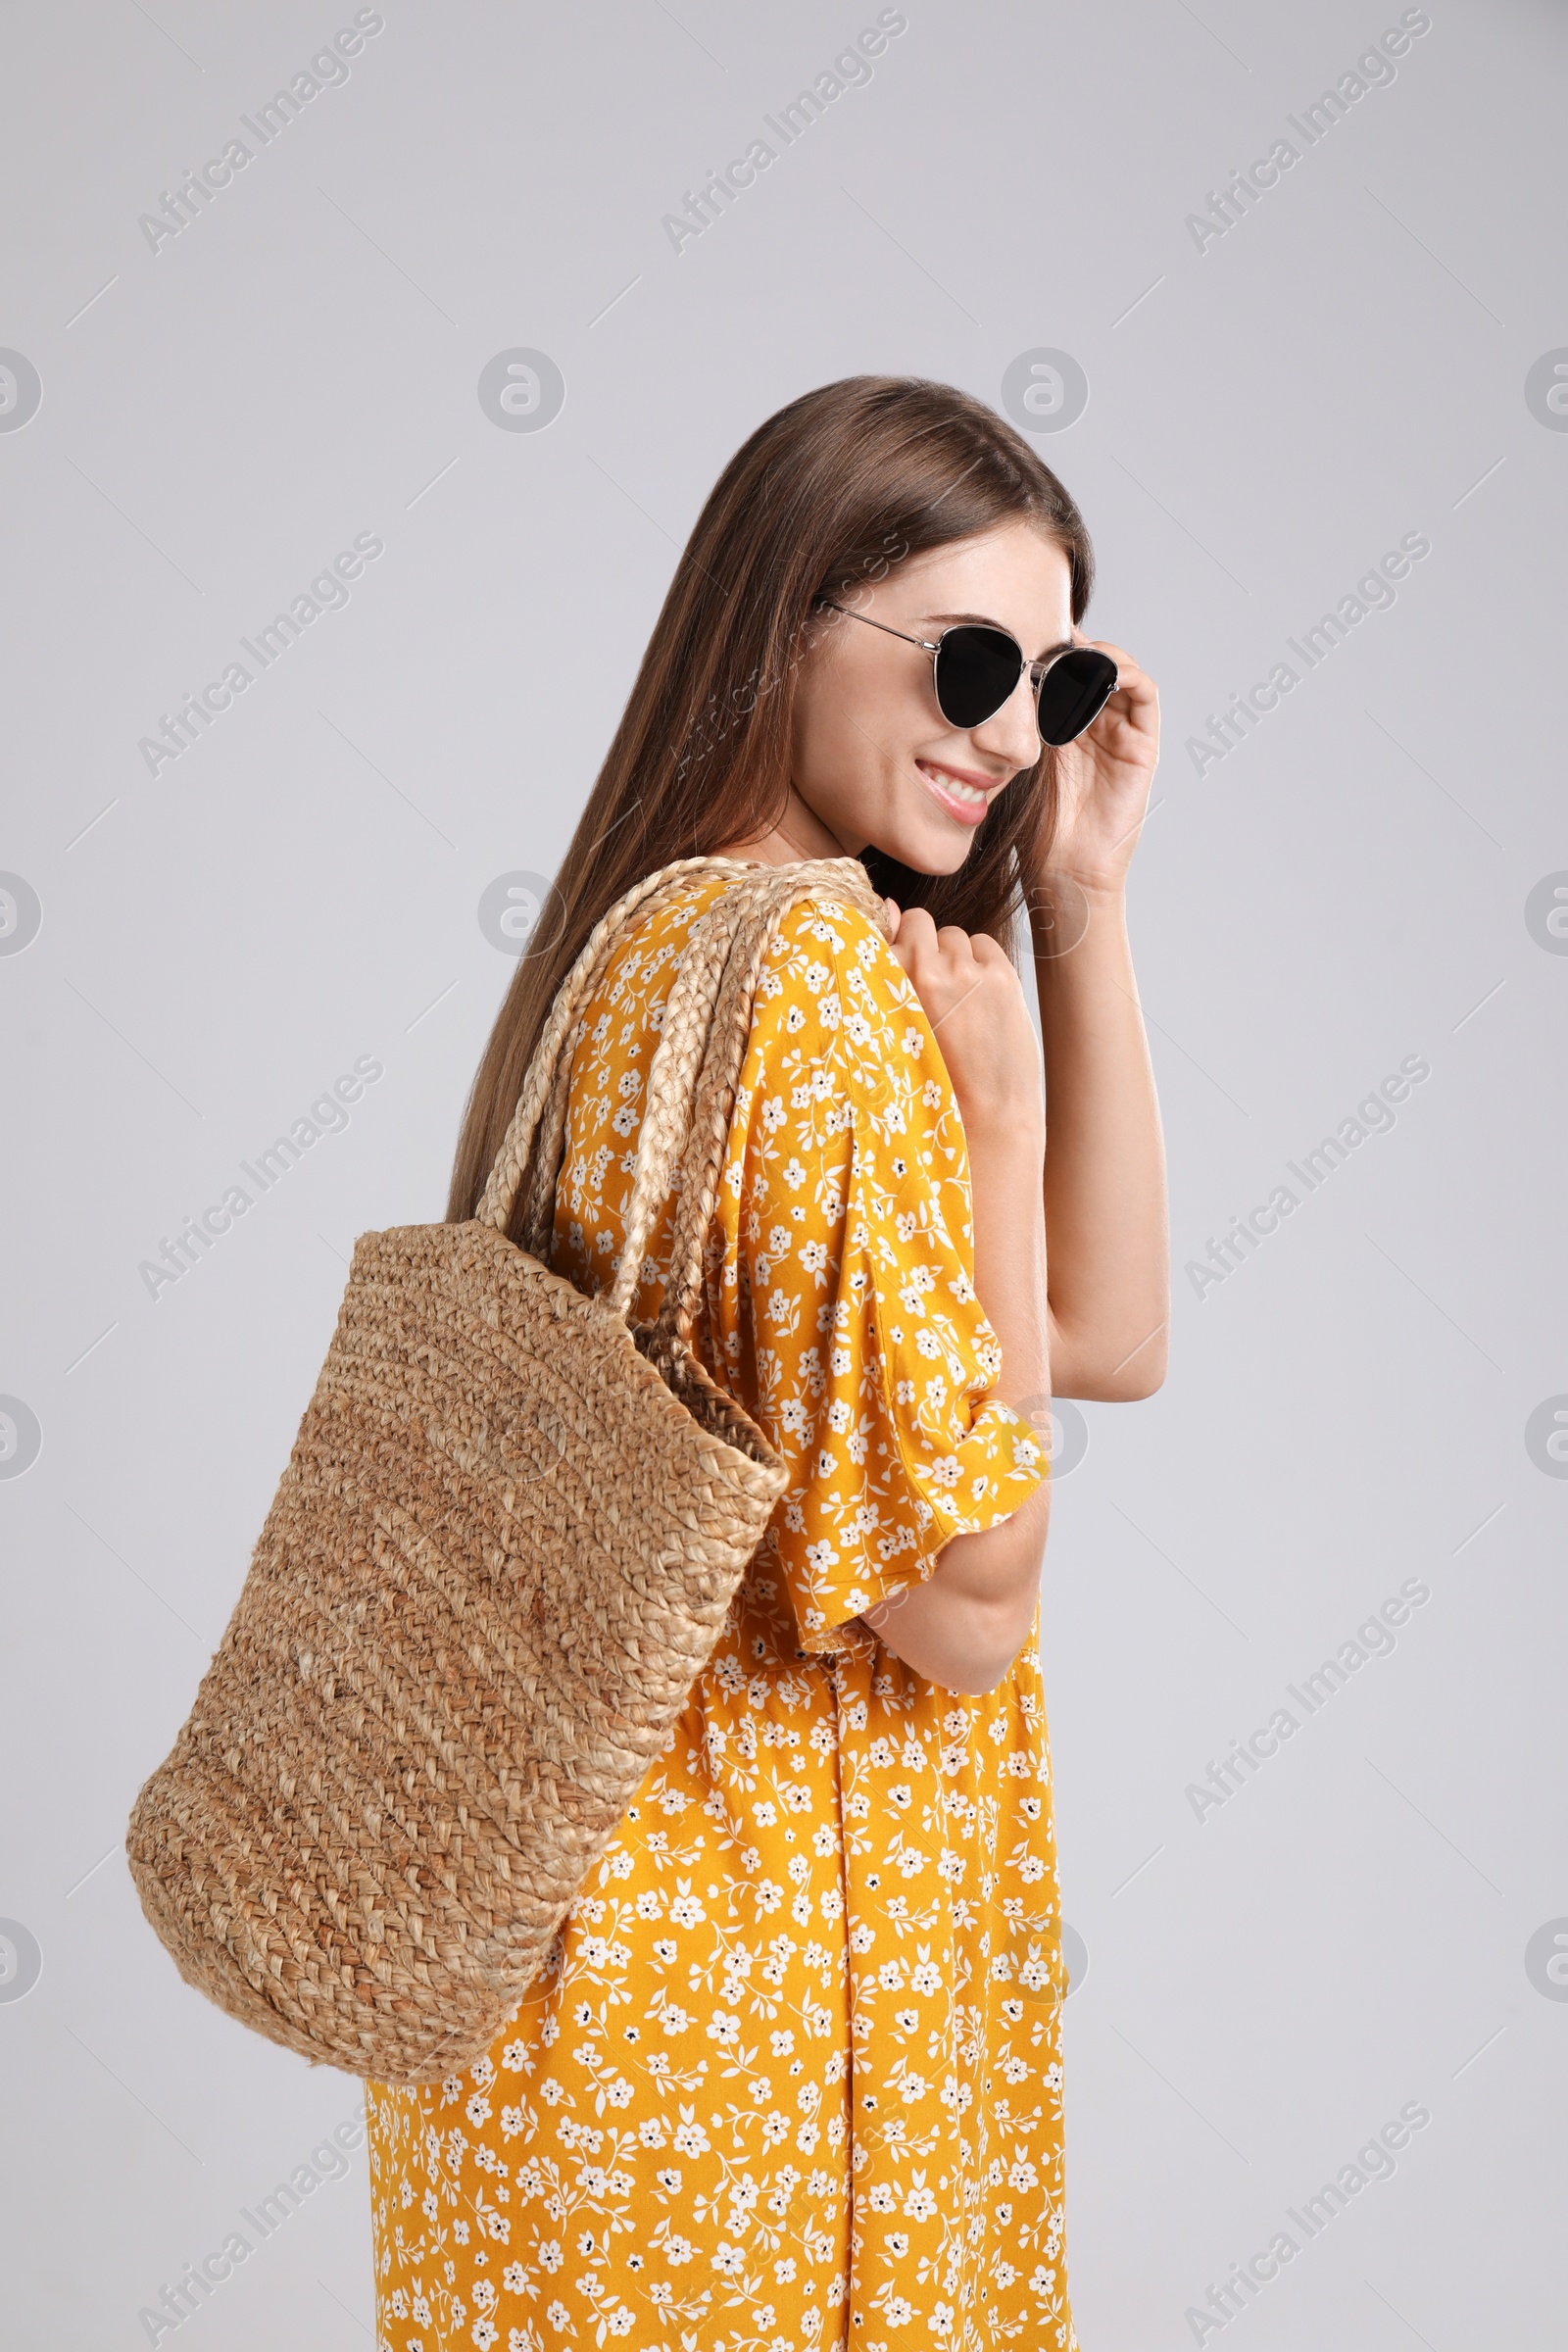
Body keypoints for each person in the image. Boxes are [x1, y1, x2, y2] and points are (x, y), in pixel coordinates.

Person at [365, 374, 1167, 2352]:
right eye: (967, 660)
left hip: (588, 2013)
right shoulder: (809, 977)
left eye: (1051, 690)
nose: (1005, 736)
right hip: (762, 2030)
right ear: (782, 620)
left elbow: (1104, 1339)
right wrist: (994, 1131)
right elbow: (966, 1606)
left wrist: (1077, 899)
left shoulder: (647, 943)